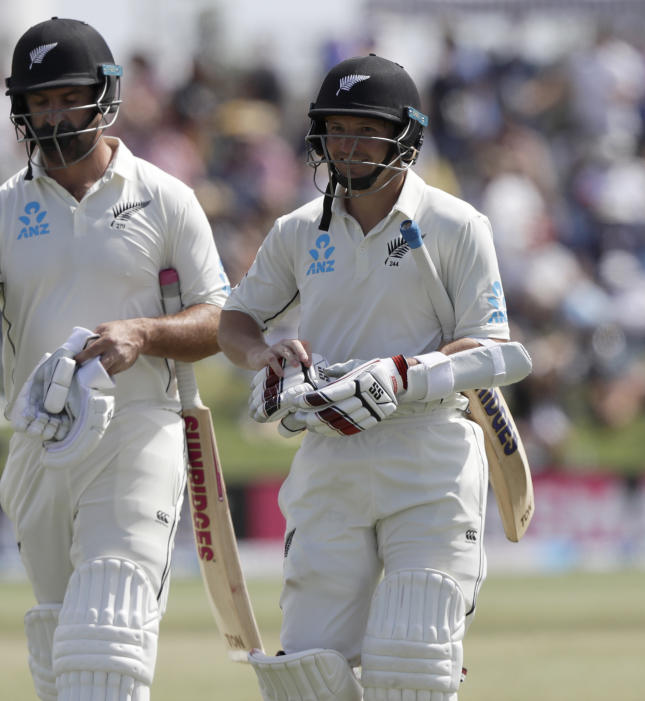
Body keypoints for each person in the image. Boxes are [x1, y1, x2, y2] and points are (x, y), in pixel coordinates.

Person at [0, 17, 228, 701]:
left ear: (104, 97)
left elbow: (219, 319)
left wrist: (146, 333)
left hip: (140, 429)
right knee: (61, 653)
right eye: (38, 101)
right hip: (42, 440)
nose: (52, 113)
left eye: (66, 97)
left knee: (106, 641)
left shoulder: (166, 199)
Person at [218, 54, 512, 701]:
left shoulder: (457, 224)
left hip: (427, 453)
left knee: (412, 664)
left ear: (405, 138)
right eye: (336, 129)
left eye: (364, 130)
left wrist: (401, 375)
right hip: (331, 450)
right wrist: (264, 354)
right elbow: (235, 319)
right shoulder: (297, 230)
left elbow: (490, 346)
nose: (346, 145)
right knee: (308, 674)